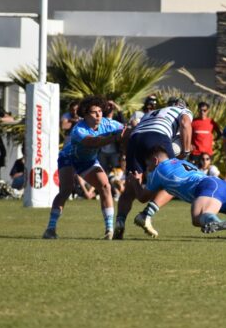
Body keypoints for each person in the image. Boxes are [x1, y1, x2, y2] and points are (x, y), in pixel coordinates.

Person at [42, 96, 127, 240]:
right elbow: (92, 142)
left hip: (87, 161)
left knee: (105, 186)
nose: (99, 115)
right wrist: (114, 138)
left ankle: (109, 231)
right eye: (94, 112)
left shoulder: (107, 123)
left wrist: (128, 133)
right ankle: (50, 229)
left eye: (100, 111)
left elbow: (125, 129)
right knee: (66, 190)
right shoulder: (79, 129)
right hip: (69, 158)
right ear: (85, 115)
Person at [113, 97, 193, 240]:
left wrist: (127, 152)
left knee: (130, 186)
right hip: (158, 136)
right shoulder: (183, 110)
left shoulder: (151, 113)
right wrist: (186, 152)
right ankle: (146, 214)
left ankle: (120, 221)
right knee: (174, 181)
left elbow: (130, 132)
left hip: (136, 139)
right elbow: (185, 123)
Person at [98, 100, 125, 173]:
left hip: (114, 152)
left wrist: (115, 106)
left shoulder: (117, 121)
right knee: (102, 171)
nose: (109, 107)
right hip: (102, 152)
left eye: (110, 106)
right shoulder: (100, 120)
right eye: (107, 106)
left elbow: (124, 125)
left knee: (116, 171)